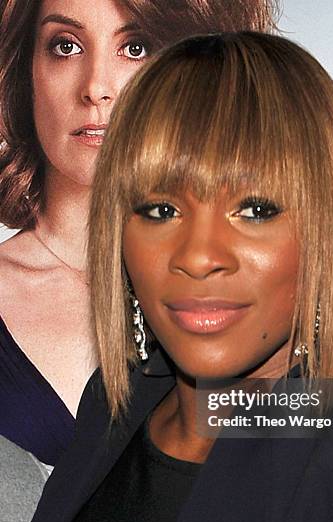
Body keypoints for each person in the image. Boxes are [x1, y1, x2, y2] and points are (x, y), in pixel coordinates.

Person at [6, 33, 333, 522]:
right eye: (160, 210)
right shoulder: (116, 407)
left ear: (327, 233)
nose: (198, 254)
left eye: (255, 210)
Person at [0, 0, 278, 468]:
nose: (96, 88)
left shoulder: (263, 290)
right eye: (65, 46)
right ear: (25, 69)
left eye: (136, 46)